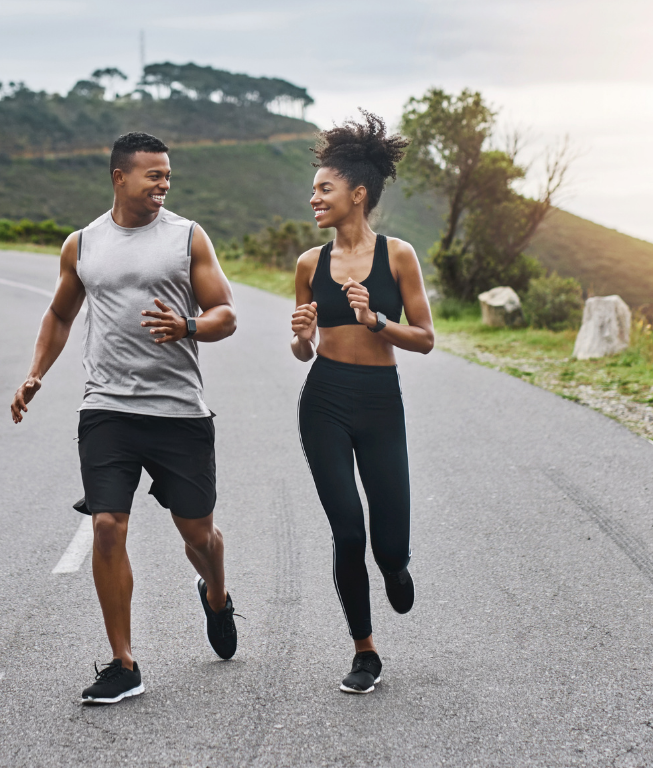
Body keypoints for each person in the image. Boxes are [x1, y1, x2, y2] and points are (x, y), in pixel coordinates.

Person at [10, 131, 239, 705]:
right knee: (107, 526)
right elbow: (60, 315)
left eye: (167, 176)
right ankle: (123, 662)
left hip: (178, 410)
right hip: (107, 407)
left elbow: (226, 314)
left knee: (199, 535)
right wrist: (36, 373)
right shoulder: (83, 244)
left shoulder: (187, 237)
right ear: (119, 177)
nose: (164, 184)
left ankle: (215, 592)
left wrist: (186, 326)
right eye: (153, 175)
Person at [289, 112, 434, 694]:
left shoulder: (398, 257)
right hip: (324, 398)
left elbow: (424, 338)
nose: (314, 198)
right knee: (347, 531)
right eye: (314, 189)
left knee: (387, 539)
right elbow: (302, 351)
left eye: (324, 189)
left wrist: (377, 321)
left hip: (380, 403)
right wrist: (302, 334)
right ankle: (364, 649)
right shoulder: (309, 264)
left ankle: (394, 565)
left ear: (358, 194)